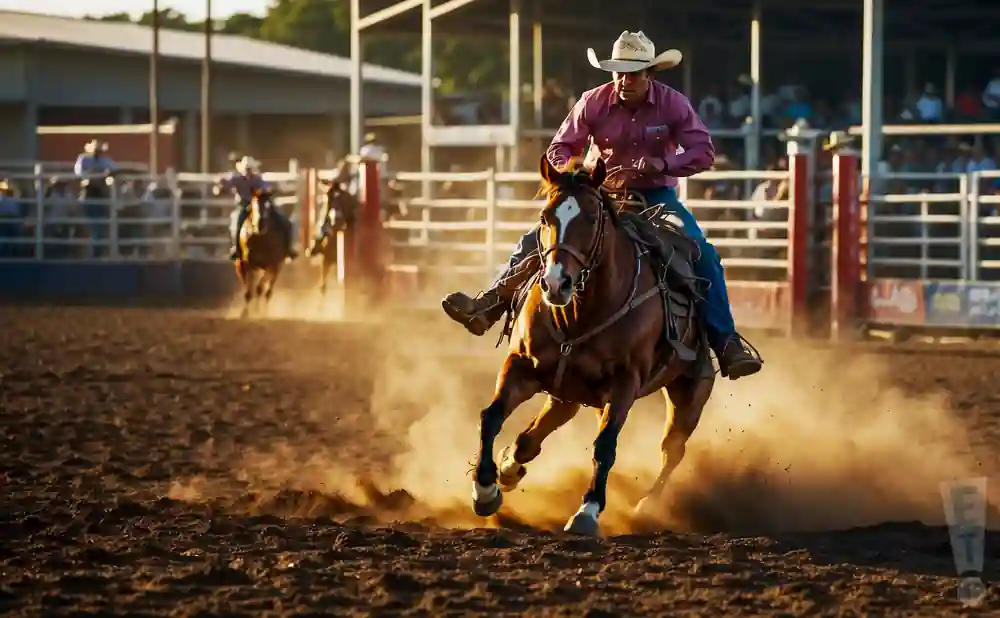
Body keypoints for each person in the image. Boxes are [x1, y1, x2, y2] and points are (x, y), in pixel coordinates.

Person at [441, 30, 762, 380]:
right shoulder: (593, 101)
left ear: (649, 74)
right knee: (540, 239)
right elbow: (560, 147)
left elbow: (703, 152)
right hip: (600, 193)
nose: (625, 79)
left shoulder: (673, 104)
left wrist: (663, 165)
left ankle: (726, 343)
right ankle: (488, 305)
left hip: (656, 196)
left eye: (634, 71)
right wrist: (571, 172)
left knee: (701, 252)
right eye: (618, 71)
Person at [220, 155, 297, 261]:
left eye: (250, 169)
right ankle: (236, 248)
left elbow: (265, 187)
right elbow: (226, 185)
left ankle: (287, 249)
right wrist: (221, 187)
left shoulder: (256, 179)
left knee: (283, 221)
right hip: (244, 204)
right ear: (243, 169)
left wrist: (269, 190)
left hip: (258, 204)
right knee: (237, 223)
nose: (249, 171)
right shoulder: (236, 178)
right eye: (247, 169)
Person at [305, 158, 355, 257]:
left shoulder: (353, 179)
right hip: (338, 207)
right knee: (324, 220)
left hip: (347, 206)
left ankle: (318, 242)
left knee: (325, 219)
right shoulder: (334, 190)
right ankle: (318, 243)